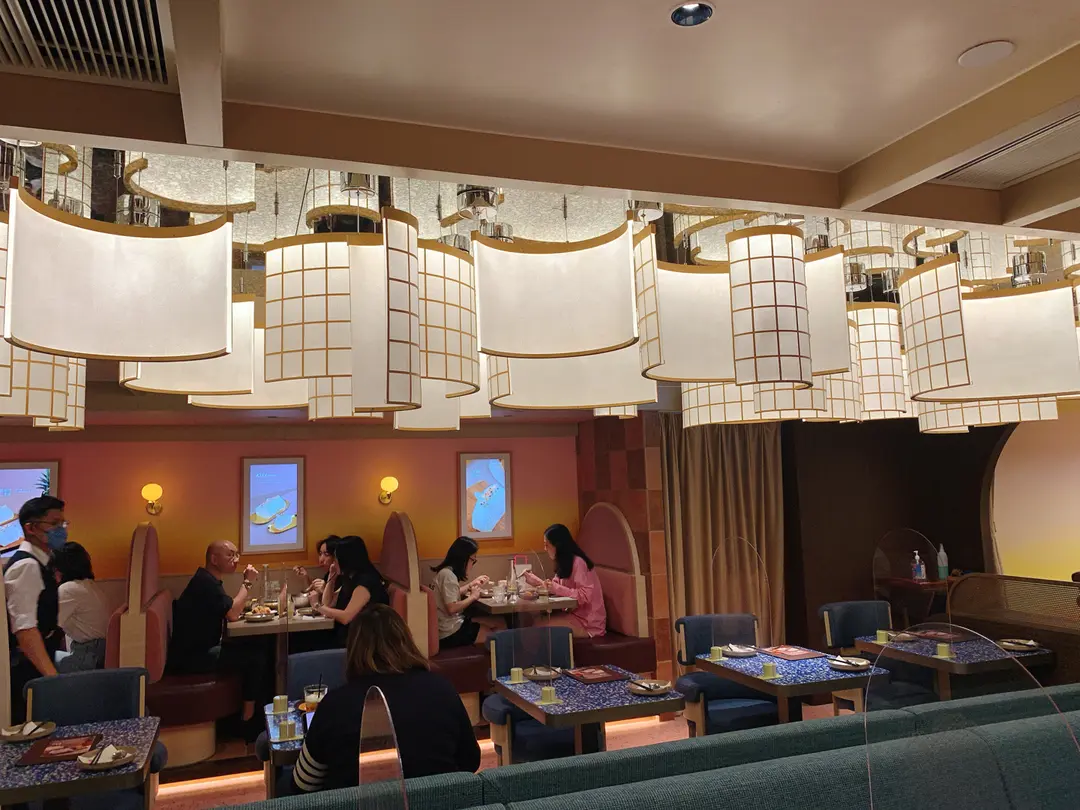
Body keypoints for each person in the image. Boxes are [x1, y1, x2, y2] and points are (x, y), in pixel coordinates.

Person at [291, 604, 480, 794]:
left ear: (353, 649)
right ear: (406, 641)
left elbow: (303, 783)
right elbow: (470, 761)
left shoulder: (334, 705)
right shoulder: (442, 689)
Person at [167, 540, 269, 726]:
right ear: (214, 559)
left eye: (237, 555)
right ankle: (248, 720)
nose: (236, 559)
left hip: (196, 650)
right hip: (193, 657)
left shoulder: (207, 579)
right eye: (230, 555)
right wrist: (247, 583)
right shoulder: (206, 583)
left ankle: (252, 714)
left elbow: (228, 608)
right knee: (256, 658)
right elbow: (233, 614)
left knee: (258, 645)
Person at [4, 496, 66, 721]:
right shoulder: (27, 566)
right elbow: (25, 629)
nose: (62, 530)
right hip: (26, 668)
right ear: (31, 528)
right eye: (54, 524)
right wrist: (52, 678)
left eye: (63, 524)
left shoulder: (42, 563)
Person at [524, 523, 607, 638]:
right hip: (573, 614)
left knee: (538, 628)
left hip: (588, 623)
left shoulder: (579, 563)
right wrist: (537, 582)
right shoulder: (564, 562)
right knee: (533, 620)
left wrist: (555, 588)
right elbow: (556, 586)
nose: (545, 549)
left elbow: (584, 595)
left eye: (547, 545)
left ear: (558, 546)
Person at [315, 536, 389, 645]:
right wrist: (332, 576)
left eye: (336, 558)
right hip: (346, 636)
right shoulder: (350, 578)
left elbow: (346, 617)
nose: (334, 562)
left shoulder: (365, 582)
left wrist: (317, 606)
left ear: (347, 559)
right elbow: (328, 603)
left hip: (360, 644)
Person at [431, 536, 502, 648]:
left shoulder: (445, 572)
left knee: (499, 621)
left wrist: (471, 585)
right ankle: (498, 656)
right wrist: (473, 597)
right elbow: (452, 608)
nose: (472, 564)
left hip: (449, 625)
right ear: (463, 558)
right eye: (473, 560)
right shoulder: (448, 576)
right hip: (450, 632)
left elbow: (451, 595)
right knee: (496, 635)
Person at [52, 541, 108, 672]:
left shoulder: (68, 589)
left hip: (87, 658)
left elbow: (49, 626)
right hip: (97, 655)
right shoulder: (90, 586)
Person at [293, 535, 339, 603]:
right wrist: (305, 577)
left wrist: (325, 591)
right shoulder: (329, 574)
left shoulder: (345, 579)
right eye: (320, 554)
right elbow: (314, 596)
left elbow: (337, 606)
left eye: (326, 554)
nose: (321, 560)